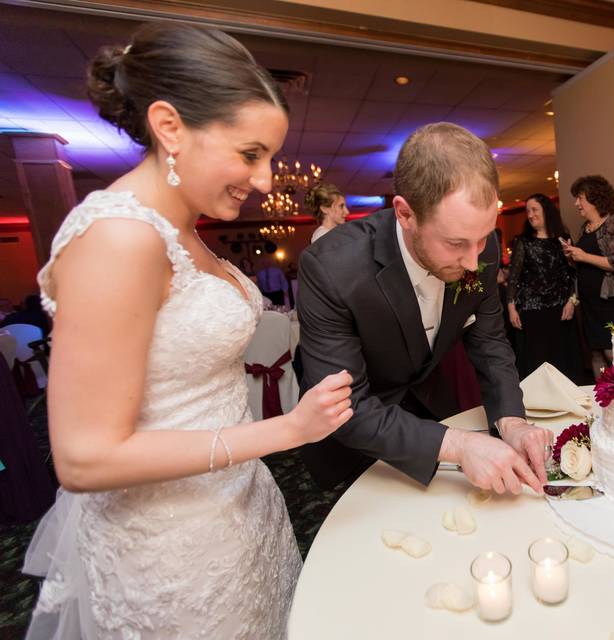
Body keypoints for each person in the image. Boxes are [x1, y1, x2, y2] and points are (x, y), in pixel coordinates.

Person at [21, 23, 354, 639]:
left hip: (239, 512)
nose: (265, 179)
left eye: (271, 157)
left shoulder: (186, 230)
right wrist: (288, 429)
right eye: (251, 153)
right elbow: (84, 457)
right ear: (170, 127)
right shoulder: (119, 239)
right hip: (170, 552)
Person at [296, 122, 554, 495]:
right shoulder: (331, 268)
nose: (472, 262)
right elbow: (344, 406)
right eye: (455, 243)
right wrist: (459, 444)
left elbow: (491, 345)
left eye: (482, 239)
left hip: (435, 413)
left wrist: (512, 422)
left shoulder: (480, 248)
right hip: (355, 443)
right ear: (405, 214)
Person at [563, 175, 614, 378]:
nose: (576, 204)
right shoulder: (586, 228)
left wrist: (583, 255)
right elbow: (587, 264)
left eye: (580, 198)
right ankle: (605, 399)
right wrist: (573, 256)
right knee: (596, 353)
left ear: (594, 198)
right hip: (591, 305)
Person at [506, 194, 582, 381]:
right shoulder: (523, 242)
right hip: (531, 313)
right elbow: (513, 278)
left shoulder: (563, 239)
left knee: (562, 364)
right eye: (527, 211)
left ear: (546, 211)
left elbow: (573, 275)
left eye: (534, 210)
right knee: (536, 365)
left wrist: (572, 302)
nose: (530, 215)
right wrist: (511, 308)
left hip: (560, 311)